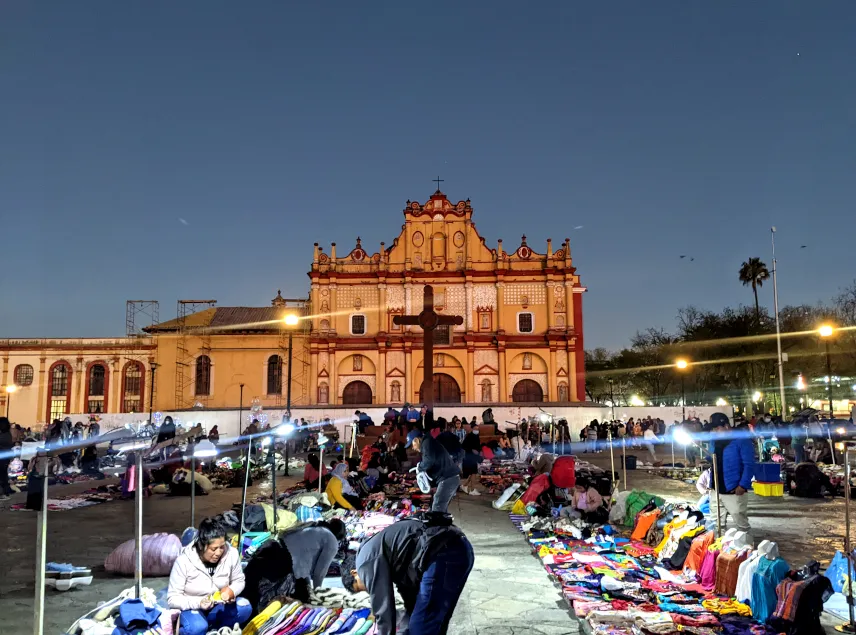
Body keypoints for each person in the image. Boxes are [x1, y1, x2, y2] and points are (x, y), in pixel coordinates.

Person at [342, 512, 474, 635]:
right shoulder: (382, 553)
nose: (367, 590)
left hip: (443, 553)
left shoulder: (365, 562)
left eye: (360, 587)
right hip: (457, 548)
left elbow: (383, 608)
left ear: (354, 572)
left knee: (421, 626)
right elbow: (408, 595)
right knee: (434, 620)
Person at [168, 517, 250, 635]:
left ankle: (217, 629)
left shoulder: (231, 554)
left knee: (244, 607)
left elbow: (239, 580)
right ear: (202, 545)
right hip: (192, 609)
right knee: (197, 627)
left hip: (218, 607)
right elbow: (173, 599)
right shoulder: (184, 561)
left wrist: (231, 591)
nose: (218, 552)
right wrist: (199, 602)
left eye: (222, 547)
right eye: (213, 549)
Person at [709, 415, 754, 542]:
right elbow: (712, 460)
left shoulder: (741, 441)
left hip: (734, 490)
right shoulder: (714, 441)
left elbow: (749, 464)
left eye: (717, 428)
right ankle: (719, 551)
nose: (714, 432)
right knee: (717, 525)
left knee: (741, 524)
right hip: (716, 489)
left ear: (726, 426)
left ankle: (747, 550)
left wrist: (743, 485)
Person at [281, 519, 346, 590]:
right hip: (286, 566)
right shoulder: (332, 540)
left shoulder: (316, 528)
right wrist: (317, 592)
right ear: (339, 537)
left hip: (278, 551)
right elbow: (320, 573)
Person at [410, 433, 460, 513]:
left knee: (438, 506)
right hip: (449, 478)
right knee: (439, 506)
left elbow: (429, 461)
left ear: (416, 440)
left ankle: (437, 524)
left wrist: (420, 467)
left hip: (448, 478)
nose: (413, 448)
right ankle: (441, 523)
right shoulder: (428, 444)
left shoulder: (427, 443)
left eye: (413, 445)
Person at [0, 417, 14, 499]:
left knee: (2, 476)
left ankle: (3, 493)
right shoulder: (6, 434)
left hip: (3, 458)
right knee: (3, 475)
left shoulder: (5, 436)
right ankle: (5, 491)